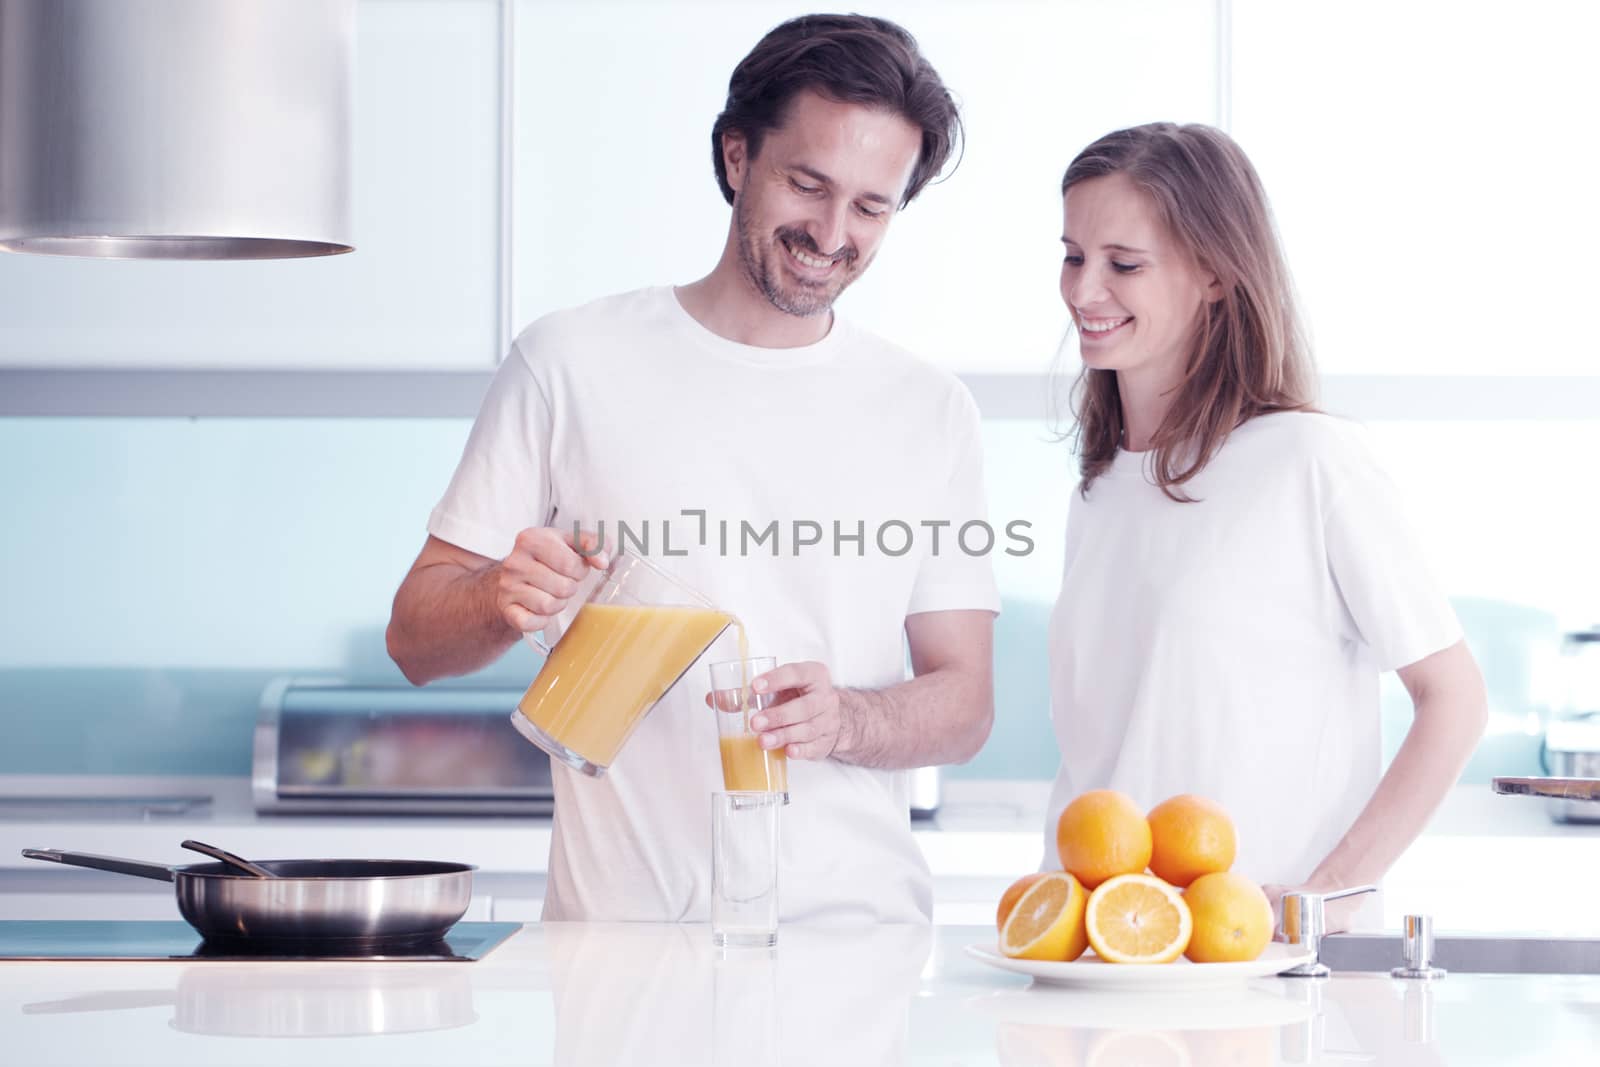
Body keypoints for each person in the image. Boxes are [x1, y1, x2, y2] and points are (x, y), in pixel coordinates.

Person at [386, 14, 998, 924]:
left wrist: (851, 722)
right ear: (737, 155)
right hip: (616, 950)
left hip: (849, 948)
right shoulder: (570, 361)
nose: (833, 234)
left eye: (872, 207)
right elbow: (413, 639)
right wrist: (496, 595)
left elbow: (966, 699)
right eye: (808, 184)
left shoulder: (929, 409)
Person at [1043, 123, 1487, 931]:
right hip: (1097, 959)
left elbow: (1453, 699)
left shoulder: (1308, 461)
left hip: (1257, 966)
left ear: (1215, 273)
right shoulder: (1098, 492)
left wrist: (1327, 894)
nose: (1083, 290)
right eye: (1074, 256)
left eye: (1123, 263)